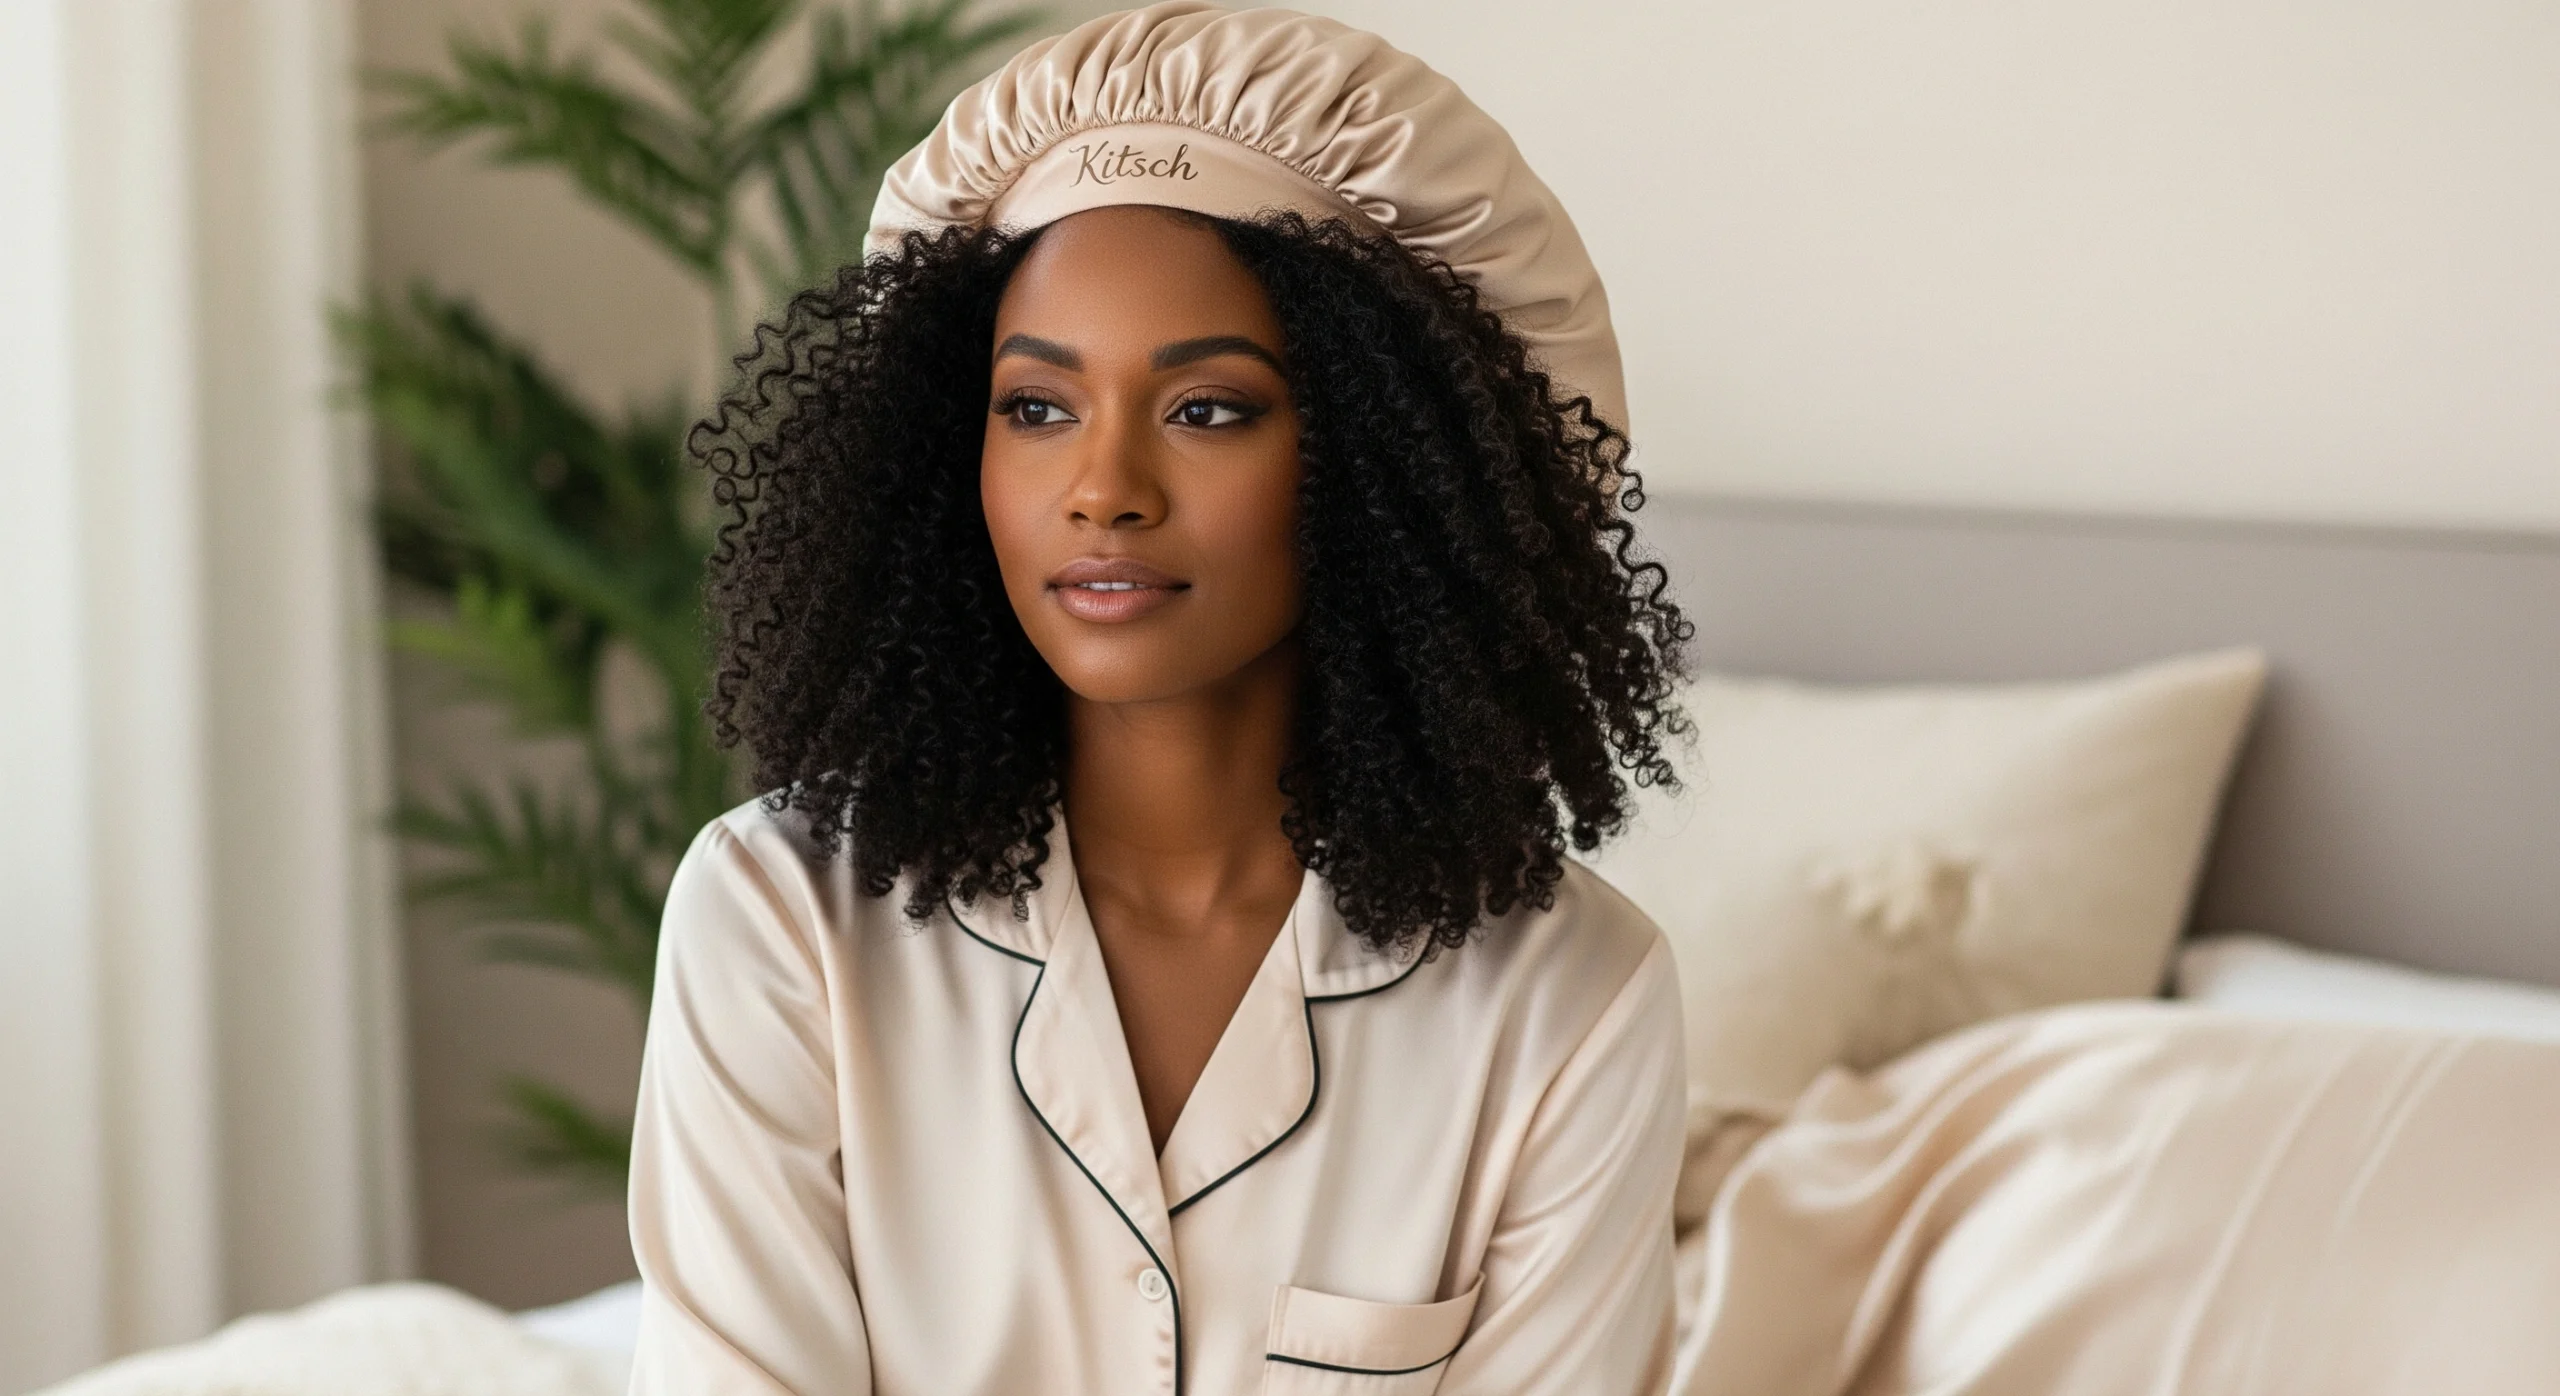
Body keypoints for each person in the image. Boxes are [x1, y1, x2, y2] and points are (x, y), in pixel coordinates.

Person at [627, 5, 1694, 1392]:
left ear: (1386, 464)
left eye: (1209, 410)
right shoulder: (780, 918)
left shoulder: (1568, 1000)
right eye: (1037, 407)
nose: (1105, 489)